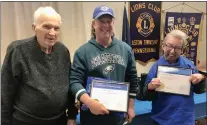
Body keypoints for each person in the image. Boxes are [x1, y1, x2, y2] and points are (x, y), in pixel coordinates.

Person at [1, 6, 78, 125]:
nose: (52, 33)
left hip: (59, 120)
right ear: (34, 28)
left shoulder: (63, 51)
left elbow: (70, 86)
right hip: (25, 121)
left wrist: (72, 115)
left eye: (56, 28)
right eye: (47, 27)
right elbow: (5, 92)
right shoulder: (17, 50)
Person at [69, 5, 139, 125]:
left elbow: (132, 79)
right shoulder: (83, 52)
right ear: (93, 24)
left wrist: (131, 106)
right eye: (101, 21)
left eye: (109, 21)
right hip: (92, 117)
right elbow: (74, 82)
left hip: (117, 117)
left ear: (113, 23)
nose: (106, 25)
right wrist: (90, 103)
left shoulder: (126, 49)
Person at [143, 30, 206, 125]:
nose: (172, 51)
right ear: (163, 46)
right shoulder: (156, 67)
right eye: (169, 46)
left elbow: (199, 90)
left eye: (177, 48)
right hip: (161, 120)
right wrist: (150, 87)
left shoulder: (189, 65)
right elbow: (145, 95)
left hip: (185, 120)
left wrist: (201, 78)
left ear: (182, 50)